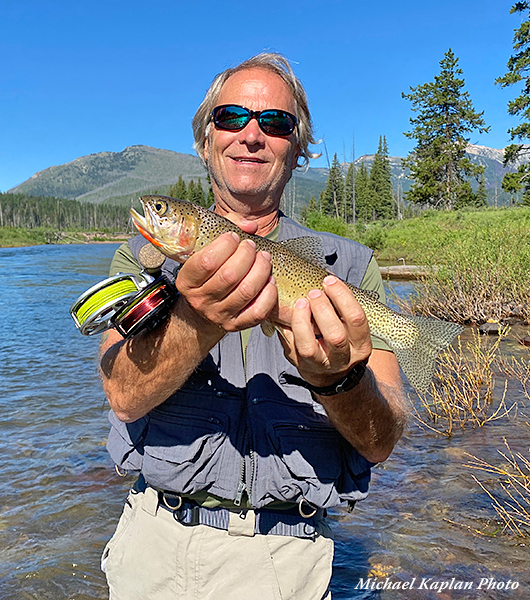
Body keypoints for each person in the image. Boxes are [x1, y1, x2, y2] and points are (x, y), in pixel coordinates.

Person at [99, 52, 407, 600]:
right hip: (156, 548)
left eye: (275, 123)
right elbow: (122, 395)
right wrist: (198, 321)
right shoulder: (142, 260)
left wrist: (338, 381)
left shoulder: (351, 269)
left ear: (297, 151)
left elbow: (381, 442)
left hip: (289, 558)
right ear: (205, 141)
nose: (251, 135)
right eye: (231, 117)